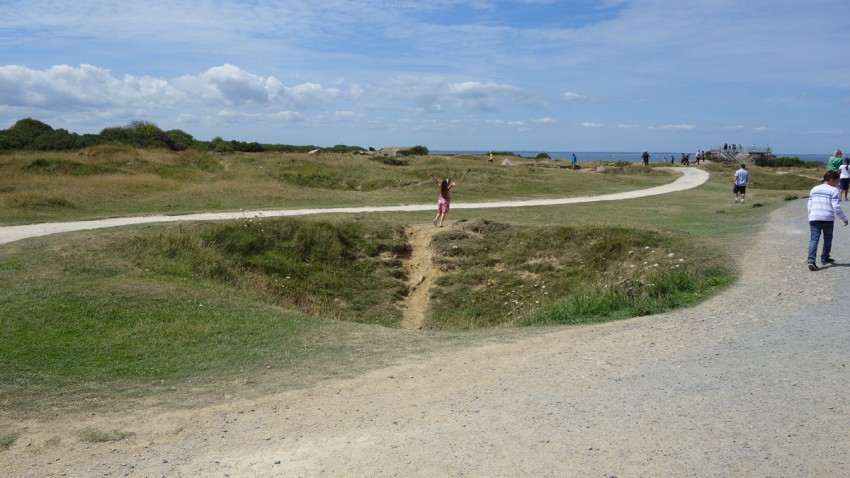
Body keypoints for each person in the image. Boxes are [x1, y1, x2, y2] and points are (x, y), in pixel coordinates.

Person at [807, 170, 848, 271]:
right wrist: (844, 218)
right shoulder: (833, 190)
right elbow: (836, 207)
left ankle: (811, 260)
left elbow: (809, 205)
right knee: (828, 238)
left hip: (814, 217)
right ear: (831, 180)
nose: (837, 183)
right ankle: (825, 258)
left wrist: (810, 216)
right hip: (827, 218)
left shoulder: (814, 189)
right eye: (837, 181)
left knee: (814, 239)